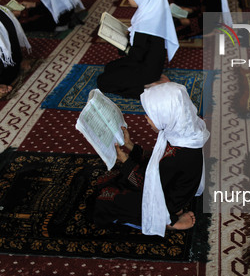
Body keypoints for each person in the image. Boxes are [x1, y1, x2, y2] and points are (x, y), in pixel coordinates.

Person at [89, 82, 210, 236]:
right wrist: (131, 146)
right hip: (172, 187)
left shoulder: (179, 156)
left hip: (167, 200)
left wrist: (126, 161)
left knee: (104, 201)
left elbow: (145, 183)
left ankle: (167, 221)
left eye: (151, 115)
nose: (146, 118)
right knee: (116, 183)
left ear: (167, 116)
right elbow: (157, 162)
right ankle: (173, 210)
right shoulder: (183, 132)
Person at [96, 0, 179, 98]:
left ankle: (149, 88)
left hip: (145, 69)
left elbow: (136, 56)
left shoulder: (146, 23)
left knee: (103, 82)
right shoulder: (153, 11)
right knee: (110, 67)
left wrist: (120, 44)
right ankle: (152, 80)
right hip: (152, 64)